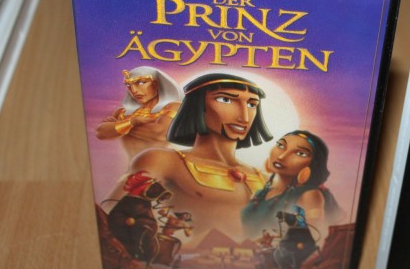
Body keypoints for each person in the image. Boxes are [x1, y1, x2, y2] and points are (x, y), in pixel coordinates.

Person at [106, 73, 272, 241]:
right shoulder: (164, 161)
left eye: (251, 104)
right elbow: (108, 216)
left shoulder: (264, 179)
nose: (244, 116)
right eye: (225, 100)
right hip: (184, 254)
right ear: (197, 105)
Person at [241, 130, 343, 241]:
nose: (282, 156)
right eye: (281, 145)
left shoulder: (309, 195)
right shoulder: (259, 194)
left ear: (313, 164)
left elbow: (318, 237)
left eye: (300, 153)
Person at [95, 67, 183, 158]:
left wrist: (120, 125)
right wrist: (133, 121)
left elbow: (160, 134)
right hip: (131, 165)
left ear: (156, 84)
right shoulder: (122, 112)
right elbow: (101, 132)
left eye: (140, 83)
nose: (134, 90)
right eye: (128, 85)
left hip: (163, 165)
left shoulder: (174, 106)